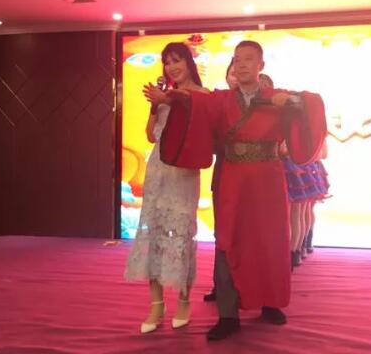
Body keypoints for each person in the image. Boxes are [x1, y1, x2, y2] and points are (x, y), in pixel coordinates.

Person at [144, 40, 326, 341]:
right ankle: (228, 314)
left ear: (261, 65)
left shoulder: (275, 97)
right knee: (227, 240)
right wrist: (170, 97)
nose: (241, 64)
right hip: (231, 176)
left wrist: (291, 101)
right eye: (237, 59)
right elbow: (194, 101)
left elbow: (309, 103)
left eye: (248, 59)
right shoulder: (221, 99)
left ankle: (271, 302)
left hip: (268, 179)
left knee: (270, 238)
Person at [124, 42, 208, 334]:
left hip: (183, 173)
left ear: (189, 63)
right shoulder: (163, 96)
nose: (172, 67)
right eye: (167, 62)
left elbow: (197, 123)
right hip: (158, 170)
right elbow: (150, 136)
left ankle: (184, 301)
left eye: (177, 60)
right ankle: (156, 305)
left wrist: (169, 100)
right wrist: (155, 104)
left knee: (181, 235)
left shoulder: (201, 96)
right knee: (155, 234)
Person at [204, 60, 239, 303]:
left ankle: (252, 290)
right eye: (232, 71)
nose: (236, 75)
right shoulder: (218, 104)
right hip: (224, 173)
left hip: (255, 180)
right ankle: (222, 287)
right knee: (222, 234)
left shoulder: (261, 102)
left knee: (252, 234)